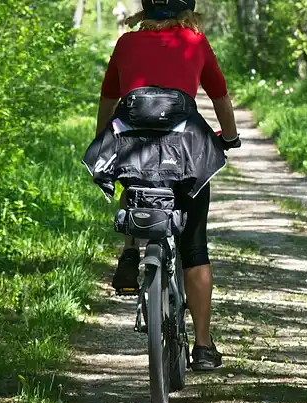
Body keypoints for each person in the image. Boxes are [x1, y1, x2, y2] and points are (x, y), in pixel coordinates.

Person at [93, 0, 240, 371]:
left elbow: (109, 99)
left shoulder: (126, 43)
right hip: (185, 152)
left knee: (134, 179)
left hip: (134, 149)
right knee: (195, 247)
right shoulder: (194, 40)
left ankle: (130, 249)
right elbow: (219, 95)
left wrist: (102, 138)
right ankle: (203, 347)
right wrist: (231, 137)